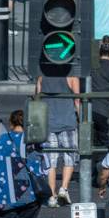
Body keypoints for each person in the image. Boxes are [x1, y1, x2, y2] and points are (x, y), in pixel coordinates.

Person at [35, 73, 80, 207]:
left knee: (51, 161)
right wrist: (81, 118)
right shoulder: (72, 77)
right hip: (68, 122)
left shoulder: (41, 78)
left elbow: (37, 100)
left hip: (48, 123)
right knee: (69, 157)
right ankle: (63, 188)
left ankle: (52, 196)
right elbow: (77, 101)